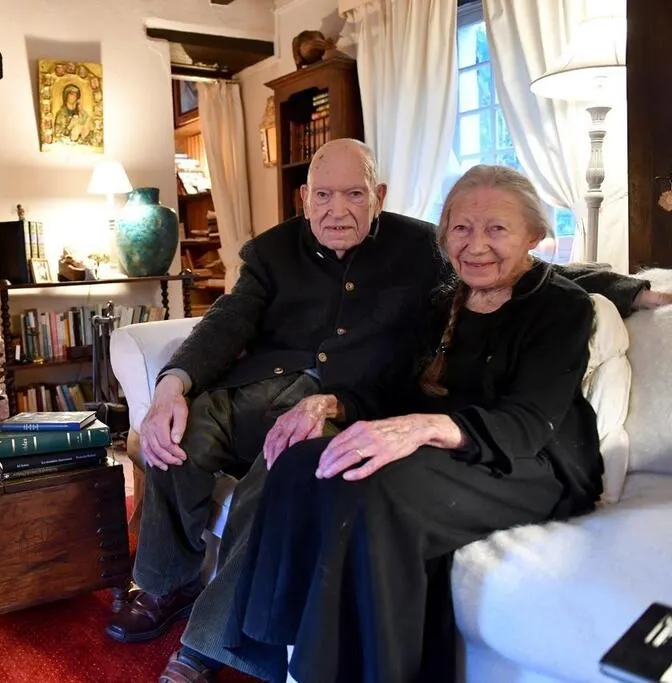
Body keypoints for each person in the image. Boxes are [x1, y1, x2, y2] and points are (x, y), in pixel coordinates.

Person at [103, 139, 667, 681]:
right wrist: (174, 384)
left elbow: (532, 273)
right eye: (323, 195)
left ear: (379, 195)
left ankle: (214, 645)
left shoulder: (426, 248)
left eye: (354, 194)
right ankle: (168, 583)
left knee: (288, 470)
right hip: (280, 390)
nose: (337, 210)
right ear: (304, 197)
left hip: (377, 407)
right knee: (181, 433)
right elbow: (228, 320)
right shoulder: (275, 251)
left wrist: (629, 288)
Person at [218, 164, 617, 682]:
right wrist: (328, 403)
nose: (476, 245)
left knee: (374, 488)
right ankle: (274, 653)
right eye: (461, 228)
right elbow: (393, 388)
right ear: (444, 235)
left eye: (497, 228)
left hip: (530, 462)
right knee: (302, 463)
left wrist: (420, 428)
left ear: (533, 235)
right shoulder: (443, 299)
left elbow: (527, 423)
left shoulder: (562, 306)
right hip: (446, 448)